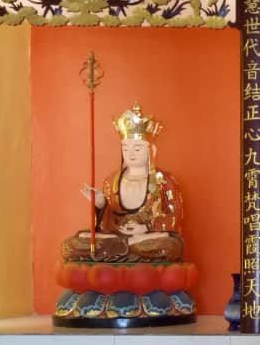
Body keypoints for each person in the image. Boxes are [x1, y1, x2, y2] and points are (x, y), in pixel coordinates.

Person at [62, 104, 184, 262]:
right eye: (126, 149)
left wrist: (146, 228)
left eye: (137, 149)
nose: (131, 154)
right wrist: (101, 204)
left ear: (151, 150)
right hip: (117, 236)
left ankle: (120, 248)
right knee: (72, 245)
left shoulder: (164, 181)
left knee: (169, 246)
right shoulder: (111, 181)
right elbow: (105, 226)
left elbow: (175, 217)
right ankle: (123, 245)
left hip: (147, 239)